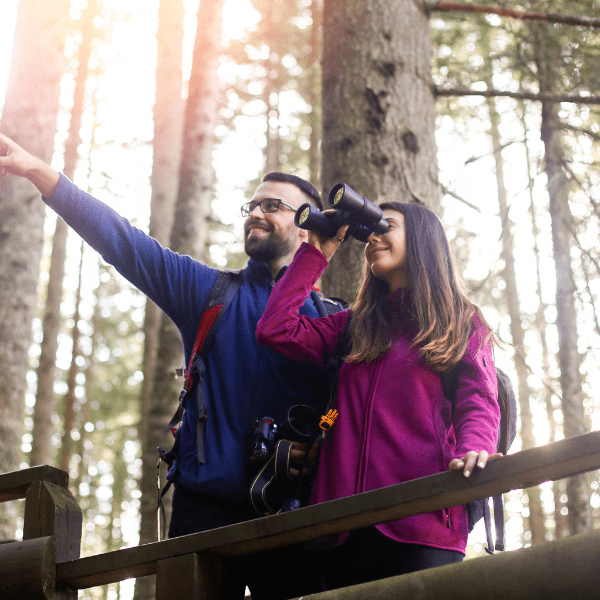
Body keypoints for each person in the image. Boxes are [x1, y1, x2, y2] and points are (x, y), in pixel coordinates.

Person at [0, 131, 332, 599]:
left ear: (305, 228)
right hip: (202, 511)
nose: (256, 213)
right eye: (252, 205)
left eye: (272, 205)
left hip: (293, 511)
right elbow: (122, 242)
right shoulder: (210, 291)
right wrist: (39, 171)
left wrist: (321, 439)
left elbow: (350, 404)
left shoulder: (333, 318)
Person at [256, 200, 502, 589]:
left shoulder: (460, 320)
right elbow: (276, 329)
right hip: (338, 527)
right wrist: (316, 251)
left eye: (386, 227)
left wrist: (474, 447)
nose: (372, 237)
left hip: (423, 522)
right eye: (370, 231)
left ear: (422, 240)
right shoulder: (353, 324)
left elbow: (478, 400)